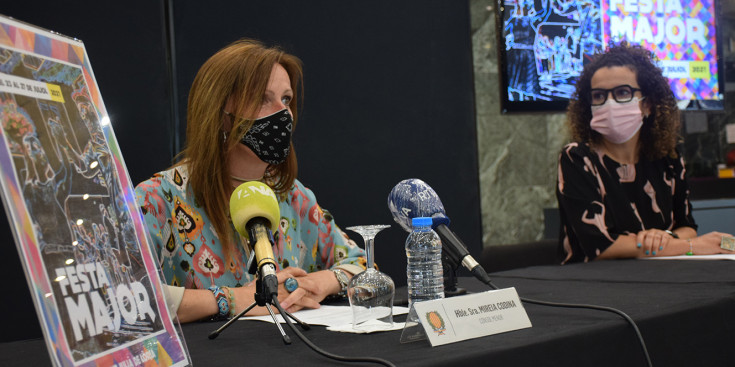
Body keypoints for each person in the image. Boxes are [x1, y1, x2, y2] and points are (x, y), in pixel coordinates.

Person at [135, 39, 367, 322]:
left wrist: (319, 283)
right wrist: (232, 299)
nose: (283, 114)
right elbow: (126, 297)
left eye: (286, 100)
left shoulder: (294, 197)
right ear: (219, 112)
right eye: (262, 99)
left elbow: (363, 265)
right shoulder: (157, 199)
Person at [556, 41, 733, 264]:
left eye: (622, 92)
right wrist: (689, 247)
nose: (609, 103)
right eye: (599, 96)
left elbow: (686, 226)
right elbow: (603, 246)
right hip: (591, 286)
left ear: (647, 104)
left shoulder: (668, 159)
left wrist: (664, 237)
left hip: (660, 278)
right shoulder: (577, 158)